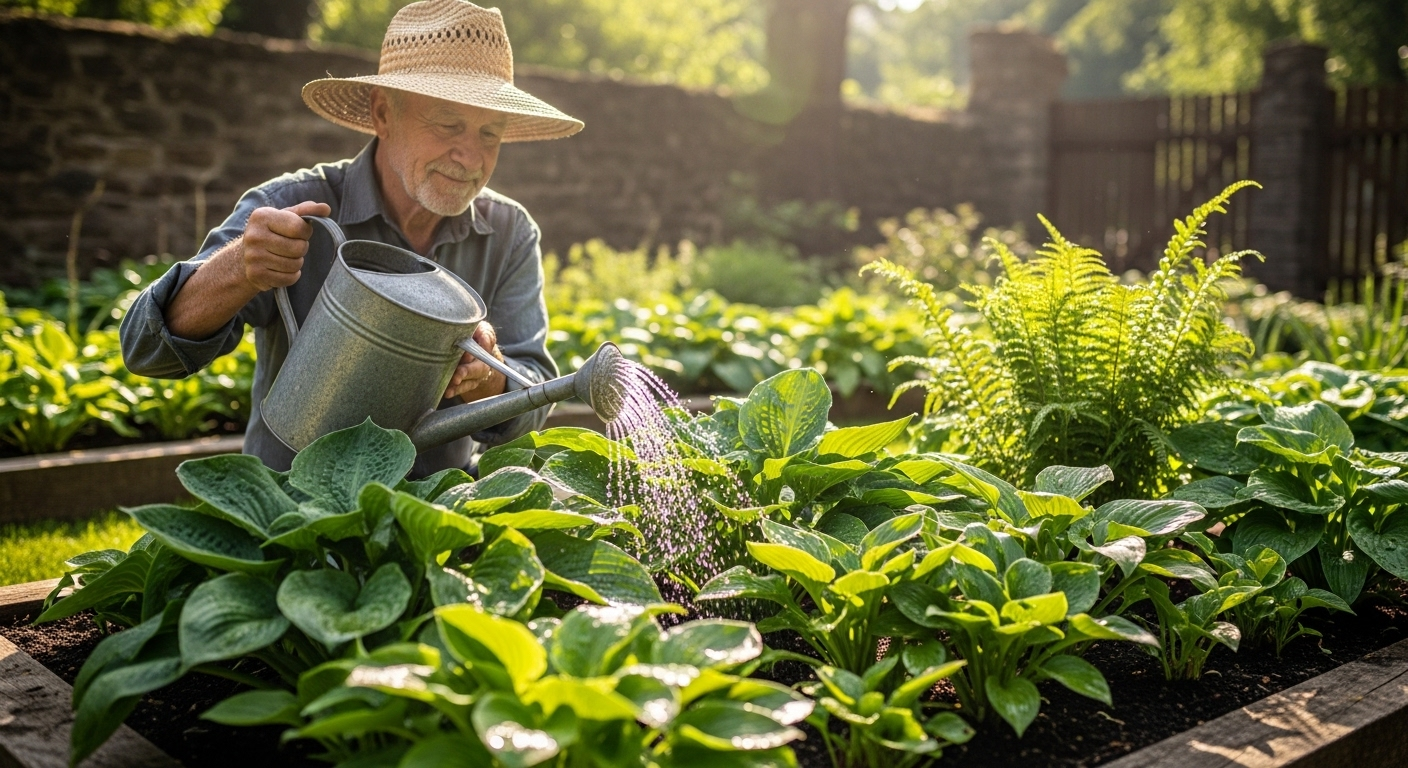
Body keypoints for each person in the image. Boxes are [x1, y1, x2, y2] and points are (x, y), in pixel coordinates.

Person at [119, 0, 583, 475]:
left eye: (490, 133)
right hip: (294, 515)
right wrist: (239, 268)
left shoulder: (507, 231)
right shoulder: (292, 206)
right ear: (384, 114)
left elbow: (532, 402)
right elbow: (147, 352)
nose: (470, 156)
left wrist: (485, 374)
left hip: (438, 523)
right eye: (448, 125)